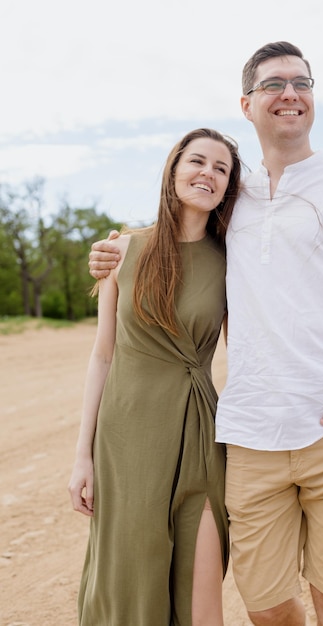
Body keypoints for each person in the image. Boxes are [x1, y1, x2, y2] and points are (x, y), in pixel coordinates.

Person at [88, 42, 323, 626]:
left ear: (312, 98)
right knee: (265, 606)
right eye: (273, 84)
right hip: (249, 434)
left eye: (301, 82)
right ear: (247, 103)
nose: (289, 93)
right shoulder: (232, 200)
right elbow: (177, 236)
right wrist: (114, 251)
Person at [69, 128, 242, 626]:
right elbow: (102, 355)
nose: (207, 173)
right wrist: (83, 455)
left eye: (221, 168)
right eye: (197, 161)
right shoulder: (122, 249)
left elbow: (257, 346)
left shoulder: (233, 261)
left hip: (199, 433)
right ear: (173, 170)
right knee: (131, 582)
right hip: (126, 438)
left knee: (200, 593)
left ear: (228, 188)